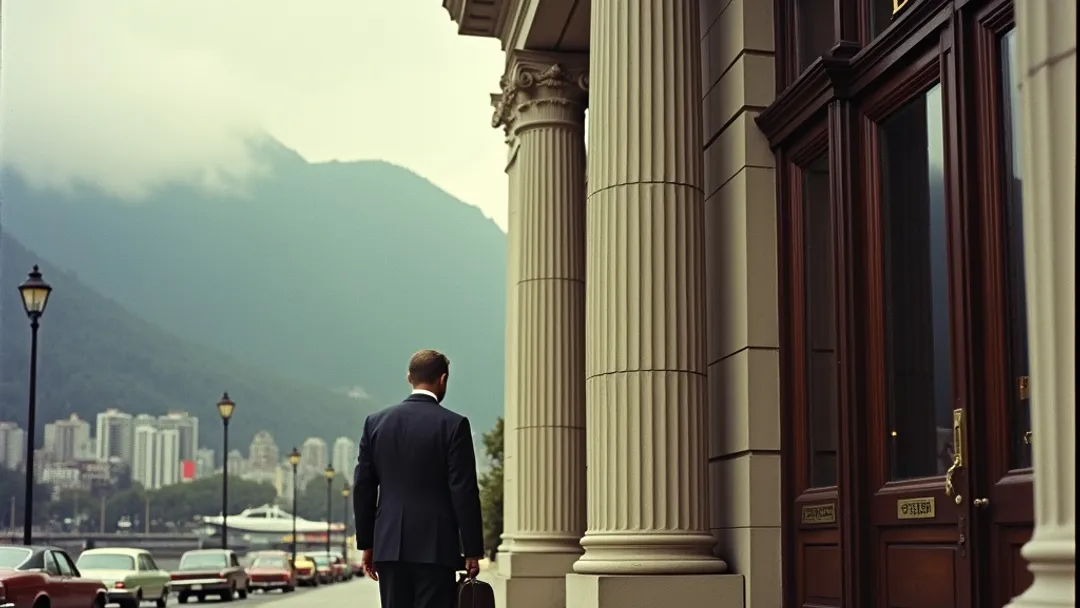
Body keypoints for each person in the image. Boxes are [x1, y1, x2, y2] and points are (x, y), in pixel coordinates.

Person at [354, 349, 485, 608]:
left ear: (409, 378)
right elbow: (464, 491)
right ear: (443, 379)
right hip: (436, 548)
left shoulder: (375, 423)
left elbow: (363, 487)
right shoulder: (454, 425)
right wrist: (472, 550)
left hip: (389, 546)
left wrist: (367, 544)